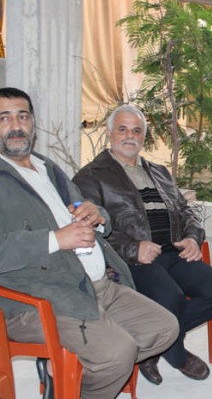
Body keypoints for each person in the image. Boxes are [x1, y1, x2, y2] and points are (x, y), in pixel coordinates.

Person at [0, 87, 179, 399]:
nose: (16, 125)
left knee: (165, 328)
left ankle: (68, 375)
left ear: (33, 124)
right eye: (4, 118)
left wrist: (99, 215)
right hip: (41, 297)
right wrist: (55, 239)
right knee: (117, 353)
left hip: (95, 285)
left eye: (23, 116)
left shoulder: (47, 168)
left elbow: (92, 213)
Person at [73, 105, 212, 385]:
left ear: (143, 137)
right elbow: (90, 230)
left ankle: (156, 342)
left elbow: (185, 211)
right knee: (170, 298)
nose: (130, 136)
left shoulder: (158, 172)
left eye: (137, 130)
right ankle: (178, 355)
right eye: (122, 129)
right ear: (109, 134)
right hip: (129, 261)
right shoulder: (91, 177)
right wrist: (134, 248)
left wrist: (192, 237)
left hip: (172, 252)